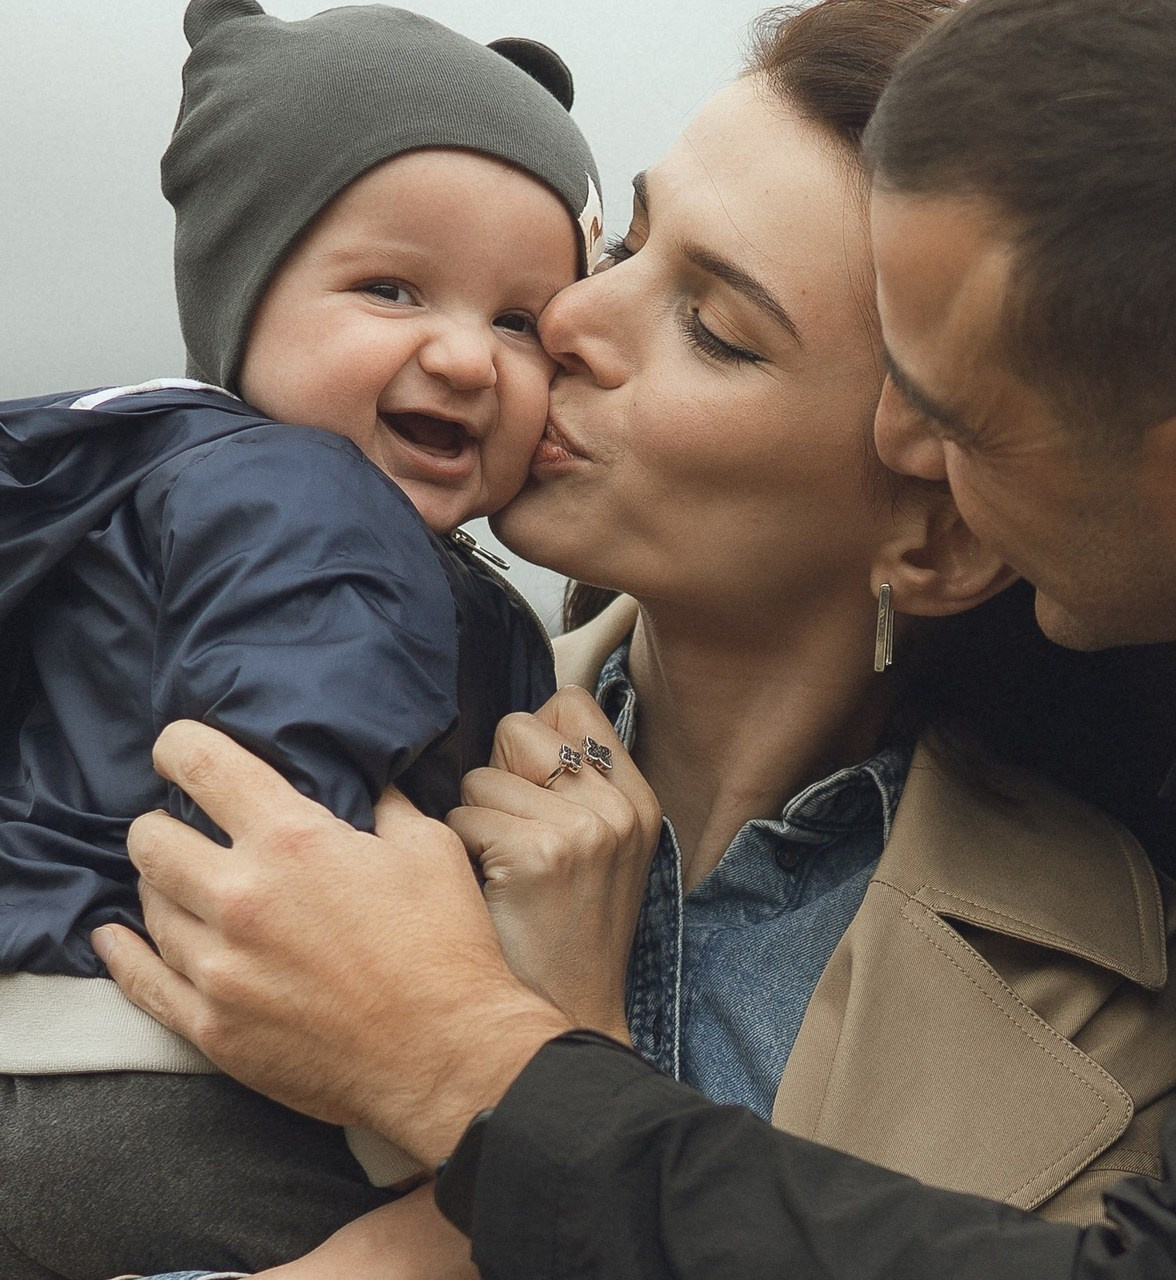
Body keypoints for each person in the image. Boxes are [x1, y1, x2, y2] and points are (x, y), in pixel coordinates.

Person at [94, 0, 1176, 1277]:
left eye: (715, 328)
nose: (564, 322)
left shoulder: (1132, 1002)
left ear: (937, 532)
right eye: (626, 245)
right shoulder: (244, 720)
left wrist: (527, 1066)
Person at [0, 0, 602, 1274]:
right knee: (529, 1223)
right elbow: (290, 804)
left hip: (71, 1049)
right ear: (244, 291)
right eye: (390, 288)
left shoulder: (183, 488)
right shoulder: (310, 501)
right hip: (164, 1069)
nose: (464, 355)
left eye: (518, 320)